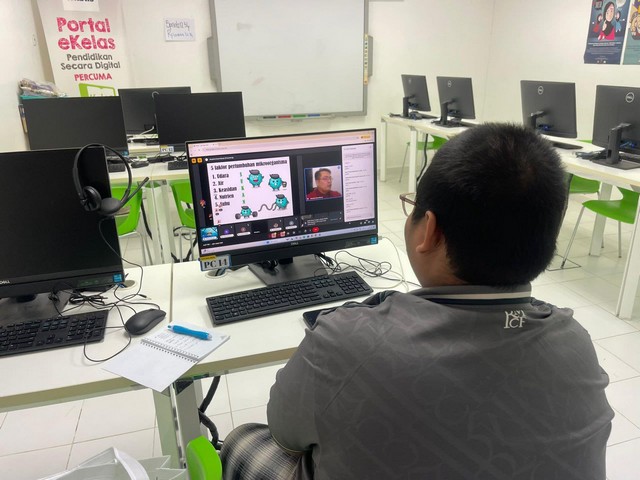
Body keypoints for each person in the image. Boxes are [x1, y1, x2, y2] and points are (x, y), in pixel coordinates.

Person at [220, 124, 614, 480]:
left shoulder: (348, 341)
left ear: (429, 231)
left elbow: (284, 432)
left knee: (243, 439)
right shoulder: (576, 345)